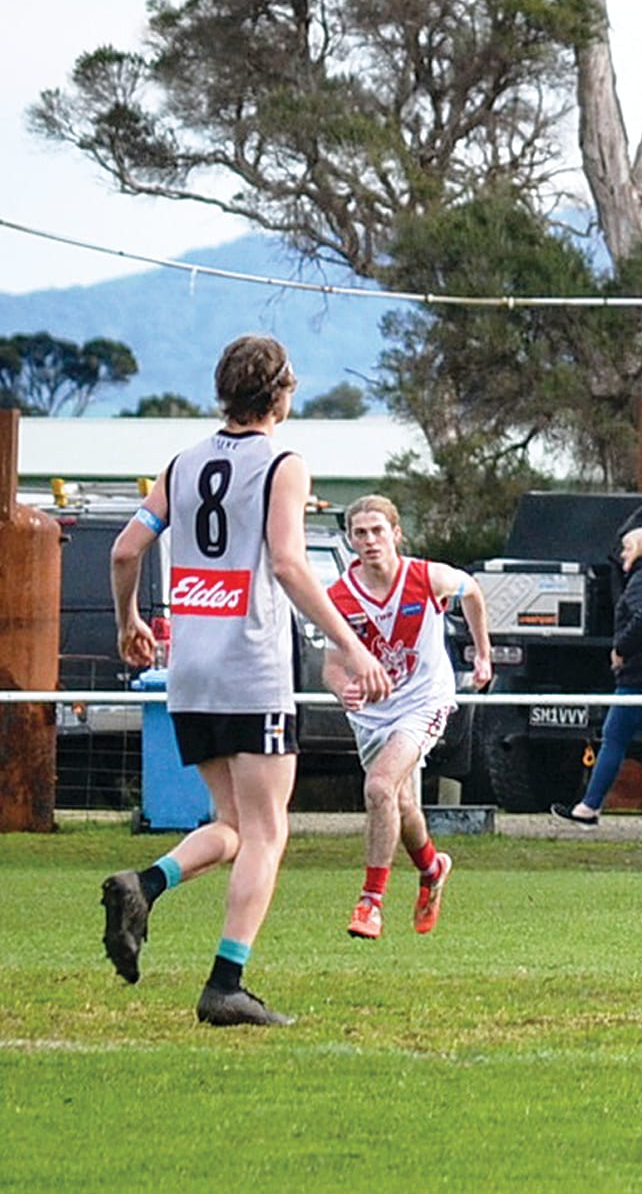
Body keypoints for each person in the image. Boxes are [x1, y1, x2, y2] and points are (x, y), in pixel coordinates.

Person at [100, 334, 394, 1026]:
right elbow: (290, 564)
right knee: (267, 830)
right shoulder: (283, 462)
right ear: (282, 392)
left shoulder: (182, 462)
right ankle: (226, 982)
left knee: (232, 824)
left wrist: (127, 623)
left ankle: (144, 884)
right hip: (251, 663)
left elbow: (123, 549)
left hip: (191, 668)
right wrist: (351, 646)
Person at [322, 495, 493, 940]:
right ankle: (433, 868)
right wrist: (346, 689)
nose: (370, 540)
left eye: (378, 530)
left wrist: (482, 655)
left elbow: (472, 590)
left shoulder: (425, 576)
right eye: (360, 533)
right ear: (350, 539)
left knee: (378, 787)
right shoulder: (339, 596)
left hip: (425, 701)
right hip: (375, 715)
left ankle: (370, 902)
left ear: (396, 534)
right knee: (400, 803)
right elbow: (331, 667)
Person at [553, 527, 642, 831]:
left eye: (627, 549)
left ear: (641, 550)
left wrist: (621, 649)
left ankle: (588, 807)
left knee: (613, 736)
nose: (623, 555)